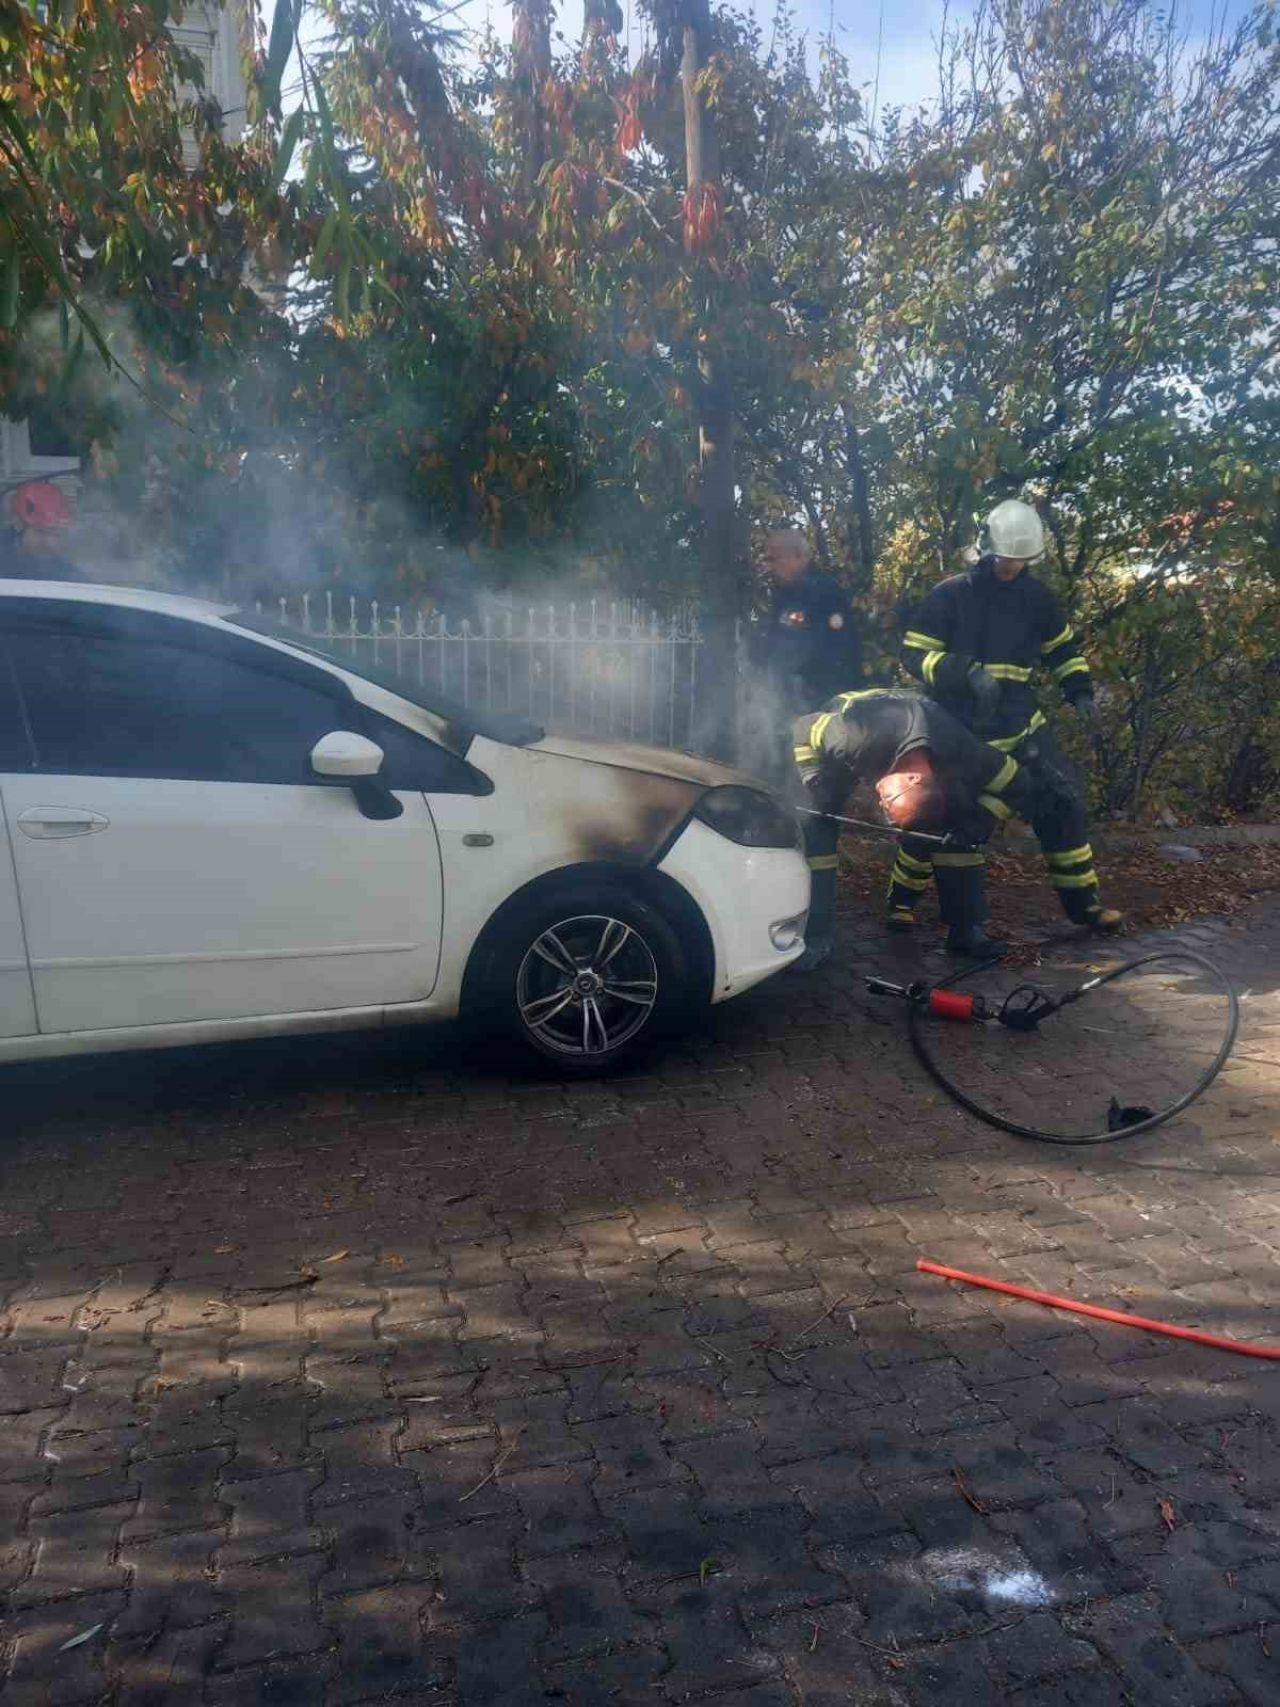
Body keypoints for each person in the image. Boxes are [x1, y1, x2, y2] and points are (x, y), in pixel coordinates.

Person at [901, 498, 1121, 934]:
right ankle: (927, 910)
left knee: (1061, 802)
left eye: (1021, 561)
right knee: (950, 821)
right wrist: (962, 672)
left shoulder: (1037, 600)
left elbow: (1063, 651)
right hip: (960, 732)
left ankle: (1085, 908)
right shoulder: (950, 595)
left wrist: (1079, 692)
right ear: (985, 547)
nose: (1011, 568)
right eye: (1006, 558)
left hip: (1021, 727)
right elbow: (913, 654)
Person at [792, 686, 1041, 967]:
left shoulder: (966, 755)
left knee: (960, 827)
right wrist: (813, 778)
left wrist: (980, 820)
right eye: (888, 800)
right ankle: (815, 935)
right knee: (819, 828)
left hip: (920, 743)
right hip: (843, 748)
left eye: (886, 802)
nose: (880, 803)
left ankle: (966, 930)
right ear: (912, 779)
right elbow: (802, 728)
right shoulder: (854, 735)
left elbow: (1020, 784)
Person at [1, 480, 81, 582]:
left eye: (56, 534)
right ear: (18, 524)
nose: (50, 543)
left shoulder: (66, 571)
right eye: (41, 532)